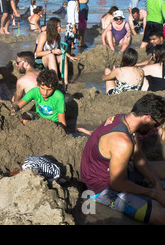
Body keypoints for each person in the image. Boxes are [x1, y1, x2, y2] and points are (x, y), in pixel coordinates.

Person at [80, 93, 165, 225]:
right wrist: (154, 193)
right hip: (101, 188)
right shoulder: (122, 142)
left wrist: (156, 182)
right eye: (156, 124)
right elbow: (117, 184)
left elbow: (138, 157)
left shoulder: (123, 120)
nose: (155, 128)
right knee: (161, 215)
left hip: (117, 171)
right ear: (147, 118)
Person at [34, 17, 77, 87]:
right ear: (52, 27)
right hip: (40, 60)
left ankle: (65, 82)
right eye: (58, 27)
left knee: (63, 57)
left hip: (51, 58)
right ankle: (55, 81)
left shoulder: (58, 36)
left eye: (60, 26)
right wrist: (52, 51)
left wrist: (70, 56)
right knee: (51, 55)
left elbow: (60, 49)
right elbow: (38, 53)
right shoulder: (44, 36)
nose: (60, 28)